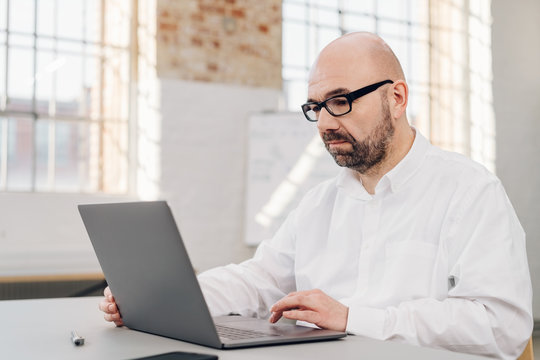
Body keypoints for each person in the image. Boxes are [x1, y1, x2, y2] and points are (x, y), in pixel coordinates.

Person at [99, 32, 533, 359]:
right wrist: (166, 295)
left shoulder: (470, 192)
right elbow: (260, 280)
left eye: (340, 101)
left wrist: (352, 319)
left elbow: (502, 325)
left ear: (397, 97)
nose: (325, 122)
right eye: (315, 106)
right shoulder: (320, 203)